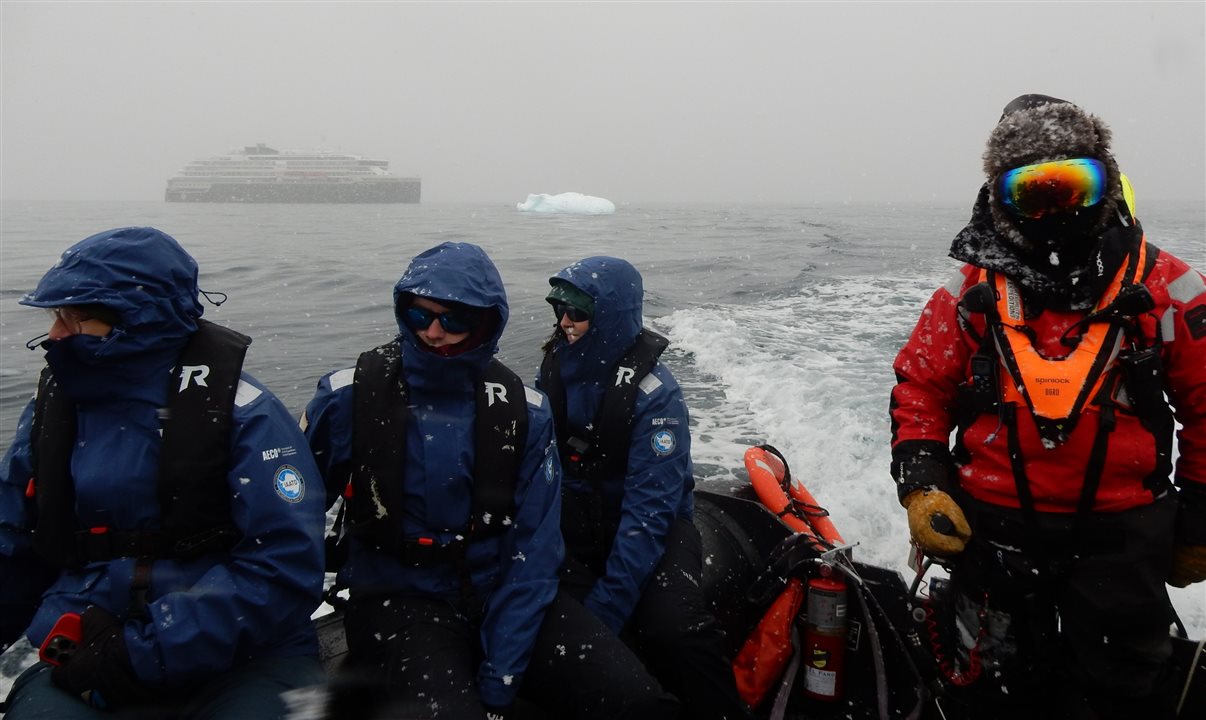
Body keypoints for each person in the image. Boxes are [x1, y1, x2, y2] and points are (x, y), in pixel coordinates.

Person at [890, 94, 1206, 719]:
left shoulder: (1169, 289)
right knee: (991, 697)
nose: (1056, 209)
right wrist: (922, 482)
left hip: (1124, 542)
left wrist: (1198, 520)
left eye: (1074, 185)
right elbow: (919, 388)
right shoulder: (967, 294)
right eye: (1033, 193)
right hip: (993, 538)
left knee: (1122, 693)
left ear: (1108, 182)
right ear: (1000, 200)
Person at [301, 241, 676, 720]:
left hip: (502, 586)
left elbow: (534, 552)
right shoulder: (350, 398)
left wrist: (501, 674)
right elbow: (293, 521)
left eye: (454, 320)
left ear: (485, 322)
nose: (434, 332)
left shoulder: (524, 413)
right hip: (400, 596)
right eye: (420, 316)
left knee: (638, 702)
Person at [0, 227, 327, 718]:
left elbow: (285, 564)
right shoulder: (52, 409)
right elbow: (11, 538)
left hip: (246, 657)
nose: (55, 336)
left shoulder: (245, 412)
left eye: (73, 318)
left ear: (134, 320)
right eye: (55, 318)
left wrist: (143, 652)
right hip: (82, 646)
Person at [536, 257, 750, 720]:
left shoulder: (657, 396)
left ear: (611, 314)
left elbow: (649, 513)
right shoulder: (555, 370)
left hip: (653, 526)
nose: (565, 322)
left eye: (578, 310)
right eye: (559, 309)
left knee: (675, 629)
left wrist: (607, 610)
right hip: (576, 522)